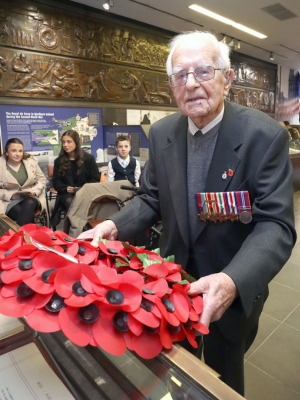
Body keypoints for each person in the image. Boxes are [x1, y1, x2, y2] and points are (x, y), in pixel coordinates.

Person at [78, 31, 296, 395]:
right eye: (181, 75)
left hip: (232, 287)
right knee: (178, 368)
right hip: (173, 284)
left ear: (226, 78)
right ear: (171, 85)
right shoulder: (163, 133)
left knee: (223, 378)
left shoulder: (265, 136)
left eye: (204, 72)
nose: (192, 83)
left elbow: (275, 225)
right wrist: (111, 225)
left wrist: (231, 282)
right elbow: (150, 199)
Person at [50, 130, 100, 229]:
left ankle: (73, 232)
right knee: (71, 201)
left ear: (76, 143)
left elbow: (95, 180)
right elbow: (56, 182)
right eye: (63, 142)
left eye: (69, 142)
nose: (65, 145)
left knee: (78, 201)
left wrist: (81, 189)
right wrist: (66, 188)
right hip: (66, 194)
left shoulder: (88, 159)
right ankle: (81, 230)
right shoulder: (59, 161)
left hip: (85, 193)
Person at [0, 138, 47, 226]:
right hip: (9, 201)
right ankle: (29, 237)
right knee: (25, 215)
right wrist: (11, 195)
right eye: (13, 151)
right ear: (6, 152)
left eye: (20, 151)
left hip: (31, 197)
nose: (17, 154)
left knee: (29, 202)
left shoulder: (30, 161)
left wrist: (33, 191)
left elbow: (42, 179)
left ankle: (19, 238)